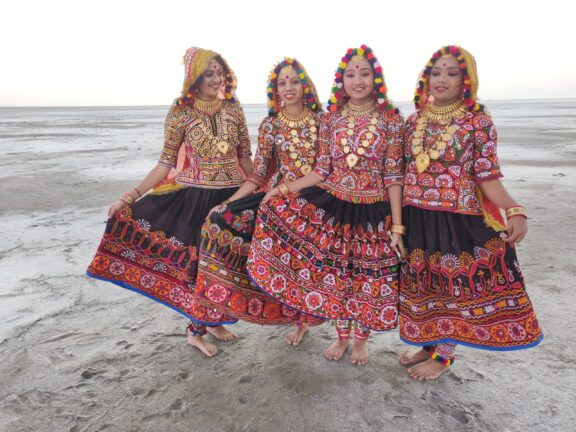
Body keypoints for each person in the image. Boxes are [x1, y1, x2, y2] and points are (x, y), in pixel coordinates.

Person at [86, 47, 253, 357]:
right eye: (209, 74)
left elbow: (245, 157)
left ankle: (213, 321)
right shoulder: (180, 112)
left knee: (227, 265)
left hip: (231, 200)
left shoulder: (234, 108)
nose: (216, 79)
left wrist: (258, 189)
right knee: (198, 267)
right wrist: (129, 196)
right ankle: (195, 331)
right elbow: (164, 164)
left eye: (220, 72)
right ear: (194, 78)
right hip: (194, 199)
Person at [247, 45, 405, 365]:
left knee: (368, 278)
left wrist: (398, 226)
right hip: (332, 204)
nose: (357, 80)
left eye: (364, 73)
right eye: (350, 74)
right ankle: (341, 337)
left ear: (376, 77)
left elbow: (393, 176)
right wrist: (282, 189)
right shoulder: (331, 119)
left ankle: (361, 341)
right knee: (335, 275)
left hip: (374, 209)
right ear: (340, 81)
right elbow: (321, 171)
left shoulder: (390, 119)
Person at [398, 45, 543, 379]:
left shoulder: (478, 121)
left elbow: (487, 176)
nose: (442, 79)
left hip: (457, 220)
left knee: (452, 288)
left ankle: (444, 357)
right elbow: (399, 170)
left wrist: (514, 209)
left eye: (452, 73)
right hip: (416, 217)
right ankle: (428, 343)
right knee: (423, 285)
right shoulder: (413, 121)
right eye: (436, 72)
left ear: (466, 79)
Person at [194, 58, 325, 346]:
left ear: (306, 85)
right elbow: (259, 174)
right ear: (274, 90)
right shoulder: (270, 126)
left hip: (317, 199)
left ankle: (303, 321)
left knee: (302, 263)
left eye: (293, 81)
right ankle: (214, 314)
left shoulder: (323, 122)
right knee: (218, 222)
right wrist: (229, 203)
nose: (288, 88)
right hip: (276, 198)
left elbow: (328, 170)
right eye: (281, 83)